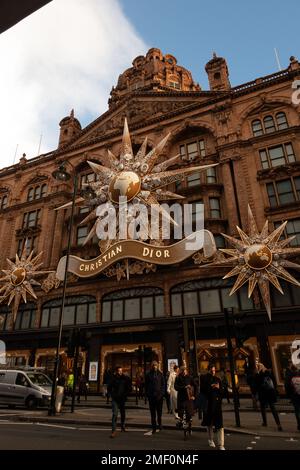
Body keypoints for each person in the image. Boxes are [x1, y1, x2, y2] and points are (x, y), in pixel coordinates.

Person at [201, 365, 225, 450]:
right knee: (209, 424)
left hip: (217, 405)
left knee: (220, 425)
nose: (213, 372)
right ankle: (210, 440)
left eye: (214, 371)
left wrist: (218, 388)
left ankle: (221, 444)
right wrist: (211, 387)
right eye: (211, 371)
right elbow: (202, 391)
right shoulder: (204, 379)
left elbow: (222, 392)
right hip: (208, 404)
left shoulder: (218, 379)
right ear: (208, 371)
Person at [254, 363, 282, 431]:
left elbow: (257, 384)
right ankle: (278, 424)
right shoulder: (269, 373)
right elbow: (274, 382)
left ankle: (265, 422)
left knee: (263, 408)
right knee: (273, 408)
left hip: (263, 394)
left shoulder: (259, 374)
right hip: (270, 393)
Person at [107, 366, 132, 438]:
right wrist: (111, 395)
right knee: (115, 414)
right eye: (119, 371)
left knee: (123, 413)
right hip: (115, 399)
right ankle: (113, 431)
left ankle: (123, 426)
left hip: (122, 399)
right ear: (116, 371)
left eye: (121, 371)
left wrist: (126, 395)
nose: (120, 372)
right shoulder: (113, 378)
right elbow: (109, 388)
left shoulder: (125, 378)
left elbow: (129, 387)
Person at [145, 361, 165, 434]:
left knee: (159, 413)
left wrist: (161, 394)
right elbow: (146, 385)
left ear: (157, 366)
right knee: (153, 413)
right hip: (151, 397)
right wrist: (148, 394)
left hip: (159, 397)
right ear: (151, 366)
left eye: (156, 365)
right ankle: (153, 427)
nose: (154, 367)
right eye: (153, 365)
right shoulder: (148, 374)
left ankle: (159, 424)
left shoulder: (160, 374)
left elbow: (163, 385)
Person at [174, 366, 195, 433]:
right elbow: (176, 387)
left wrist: (194, 395)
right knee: (181, 412)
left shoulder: (190, 377)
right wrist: (184, 387)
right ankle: (182, 422)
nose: (184, 372)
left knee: (189, 413)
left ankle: (189, 425)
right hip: (181, 398)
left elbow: (195, 385)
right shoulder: (178, 378)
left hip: (189, 398)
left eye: (185, 371)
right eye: (182, 371)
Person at [285, 364, 300, 431]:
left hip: (294, 395)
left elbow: (287, 386)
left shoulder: (289, 376)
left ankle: (299, 424)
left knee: (297, 410)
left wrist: (289, 395)